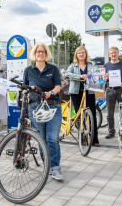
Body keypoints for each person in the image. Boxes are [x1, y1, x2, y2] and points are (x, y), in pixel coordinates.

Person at [23, 43, 63, 180]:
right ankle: (48, 165)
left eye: (43, 51)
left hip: (53, 106)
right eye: (38, 51)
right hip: (35, 107)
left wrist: (50, 93)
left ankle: (56, 168)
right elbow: (25, 87)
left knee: (52, 139)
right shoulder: (28, 70)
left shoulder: (53, 68)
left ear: (46, 54)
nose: (40, 53)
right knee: (42, 139)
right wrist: (26, 95)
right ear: (34, 53)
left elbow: (58, 86)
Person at [65, 46, 100, 147]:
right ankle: (83, 138)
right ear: (76, 55)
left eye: (83, 53)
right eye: (79, 53)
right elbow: (67, 74)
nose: (81, 54)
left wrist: (103, 76)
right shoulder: (73, 65)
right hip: (76, 93)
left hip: (89, 92)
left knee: (92, 115)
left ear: (86, 54)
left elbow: (98, 74)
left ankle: (94, 139)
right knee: (80, 116)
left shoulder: (91, 65)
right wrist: (79, 76)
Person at [103, 47, 122, 139]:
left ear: (118, 53)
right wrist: (105, 78)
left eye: (115, 53)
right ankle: (111, 132)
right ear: (109, 54)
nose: (113, 54)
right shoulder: (106, 66)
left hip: (121, 90)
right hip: (110, 90)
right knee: (109, 113)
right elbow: (103, 80)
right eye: (112, 53)